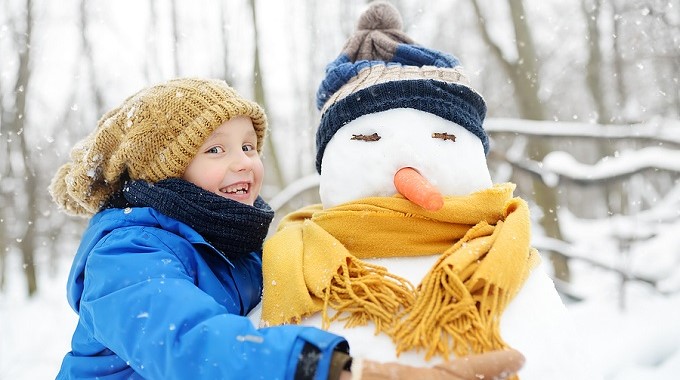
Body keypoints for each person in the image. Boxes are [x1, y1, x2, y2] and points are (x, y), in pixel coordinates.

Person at [49, 77, 524, 379]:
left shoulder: (233, 244)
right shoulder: (126, 255)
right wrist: (339, 370)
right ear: (164, 171)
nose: (243, 163)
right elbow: (188, 343)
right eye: (215, 150)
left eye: (249, 146)